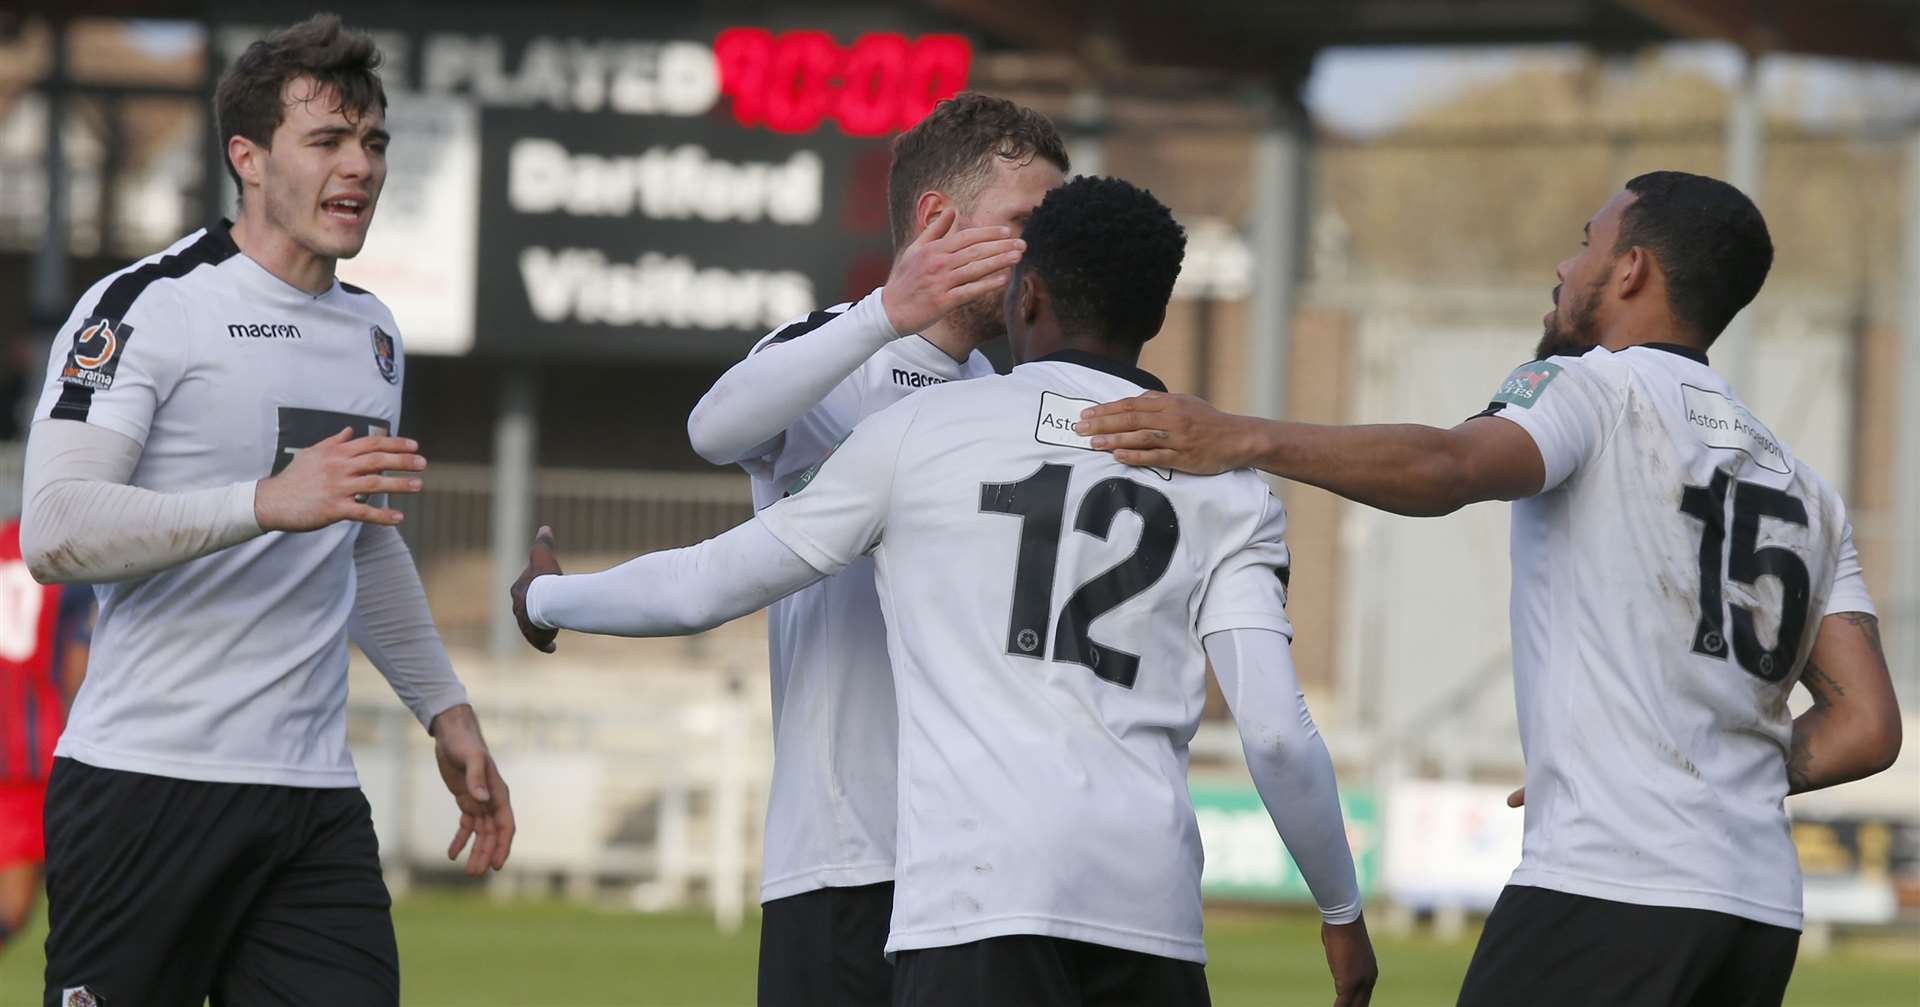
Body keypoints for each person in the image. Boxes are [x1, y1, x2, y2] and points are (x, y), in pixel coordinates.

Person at [515, 176, 1377, 1007]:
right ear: (1154, 315)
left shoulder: (920, 433)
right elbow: (1275, 734)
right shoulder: (1232, 489)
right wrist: (1341, 911)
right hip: (1150, 921)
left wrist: (547, 600)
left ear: (1026, 297)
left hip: (970, 912)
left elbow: (708, 584)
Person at [1074, 170, 1903, 1006]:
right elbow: (1867, 725)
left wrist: (1240, 436)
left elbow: (1451, 464)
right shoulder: (1804, 486)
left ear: (1631, 271)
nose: (1564, 265)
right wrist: (1700, 767)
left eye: (1587, 243)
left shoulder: (1591, 388)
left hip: (1613, 888)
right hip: (1757, 915)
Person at [19, 16, 514, 1006]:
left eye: (373, 142)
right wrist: (260, 502)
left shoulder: (372, 332)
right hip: (143, 787)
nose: (360, 167)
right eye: (327, 140)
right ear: (246, 157)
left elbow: (362, 546)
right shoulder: (146, 307)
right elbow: (55, 528)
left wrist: (445, 708)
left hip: (310, 798)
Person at [681, 92, 1062, 1005]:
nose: (1043, 254)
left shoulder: (1010, 397)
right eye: (1026, 224)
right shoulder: (828, 355)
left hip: (982, 869)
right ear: (936, 220)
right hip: (841, 862)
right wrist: (885, 312)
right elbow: (712, 427)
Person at [0, 518, 90, 959]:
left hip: (13, 754)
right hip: (40, 758)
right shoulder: (70, 555)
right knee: (21, 909)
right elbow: (79, 665)